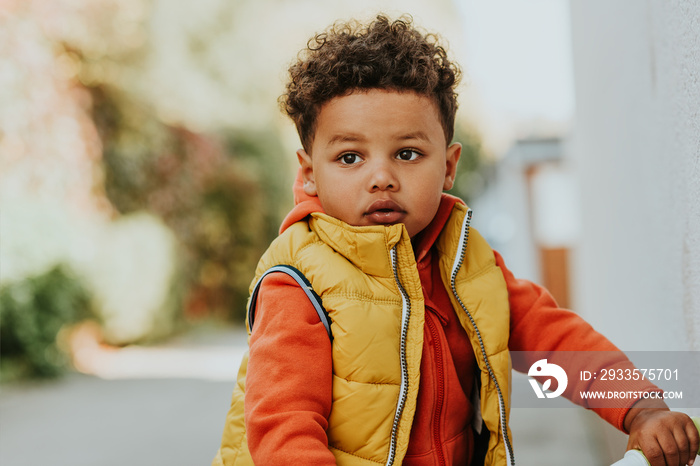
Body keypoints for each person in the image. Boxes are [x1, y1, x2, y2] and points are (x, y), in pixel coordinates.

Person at [212, 14, 699, 466]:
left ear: (448, 166)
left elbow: (557, 340)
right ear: (309, 172)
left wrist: (642, 409)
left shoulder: (467, 262)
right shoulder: (298, 282)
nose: (381, 177)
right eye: (350, 158)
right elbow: (283, 425)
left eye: (406, 152)